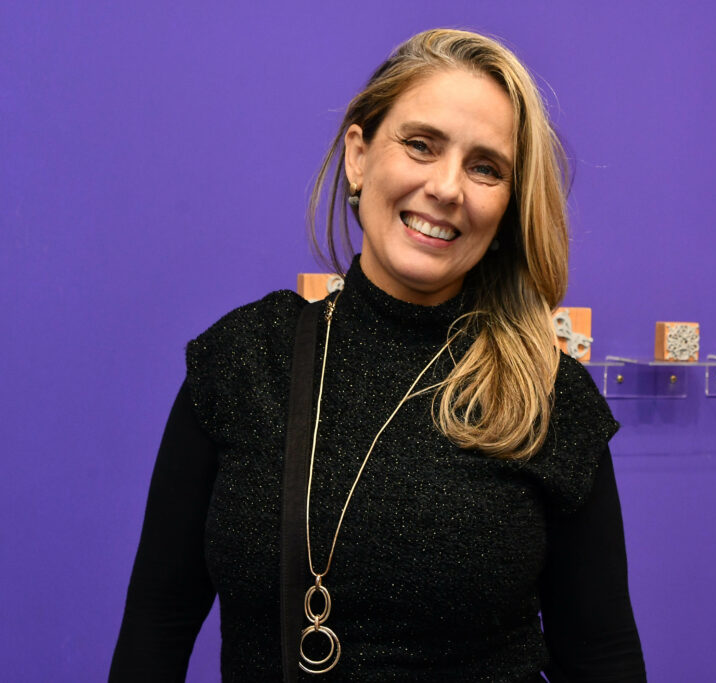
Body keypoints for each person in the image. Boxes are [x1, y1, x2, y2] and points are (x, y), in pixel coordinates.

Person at [110, 28, 646, 682]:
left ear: (508, 206)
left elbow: (602, 656)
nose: (447, 187)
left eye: (485, 167)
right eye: (421, 145)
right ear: (359, 157)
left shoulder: (546, 395)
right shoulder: (244, 360)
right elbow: (157, 624)